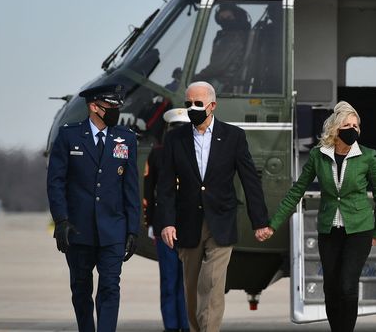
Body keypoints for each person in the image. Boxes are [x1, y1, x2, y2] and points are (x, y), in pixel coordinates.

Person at [258, 101, 376, 332]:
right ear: (335, 129)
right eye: (347, 125)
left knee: (347, 285)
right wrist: (273, 225)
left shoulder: (367, 156)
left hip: (359, 229)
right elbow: (296, 191)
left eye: (356, 126)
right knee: (331, 286)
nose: (352, 130)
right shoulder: (319, 156)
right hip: (329, 230)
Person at [156, 81, 269, 332]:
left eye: (198, 103)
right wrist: (166, 222)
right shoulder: (175, 139)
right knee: (192, 288)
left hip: (221, 220)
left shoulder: (234, 136)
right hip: (188, 223)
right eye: (188, 104)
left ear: (212, 105)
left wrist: (259, 221)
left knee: (213, 283)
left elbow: (250, 180)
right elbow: (164, 186)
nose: (192, 108)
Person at [47, 84, 140, 332]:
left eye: (117, 106)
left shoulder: (126, 138)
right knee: (80, 287)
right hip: (79, 230)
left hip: (113, 229)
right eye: (110, 106)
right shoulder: (69, 137)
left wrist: (133, 229)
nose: (115, 111)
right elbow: (56, 183)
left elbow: (131, 188)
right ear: (94, 107)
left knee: (110, 286)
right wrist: (61, 220)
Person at [145, 108, 190, 332]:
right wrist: (152, 222)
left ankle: (186, 324)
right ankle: (172, 327)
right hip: (165, 227)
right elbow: (149, 190)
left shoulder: (199, 152)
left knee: (187, 283)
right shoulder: (157, 154)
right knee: (170, 281)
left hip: (190, 226)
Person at [197, 3, 251, 91]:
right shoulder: (238, 36)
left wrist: (195, 78)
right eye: (222, 19)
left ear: (238, 18)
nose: (225, 21)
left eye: (229, 18)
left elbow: (217, 68)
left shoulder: (232, 38)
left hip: (223, 84)